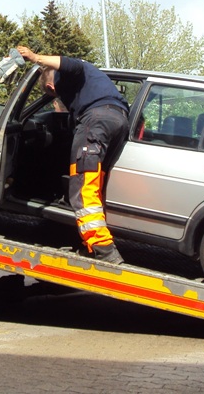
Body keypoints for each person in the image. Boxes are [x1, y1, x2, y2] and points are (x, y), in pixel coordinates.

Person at [16, 46, 129, 264]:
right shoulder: (93, 81)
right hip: (118, 120)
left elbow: (71, 63)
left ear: (51, 85)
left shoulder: (74, 70)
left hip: (96, 122)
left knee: (82, 187)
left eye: (54, 94)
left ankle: (105, 250)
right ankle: (89, 245)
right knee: (96, 185)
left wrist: (35, 58)